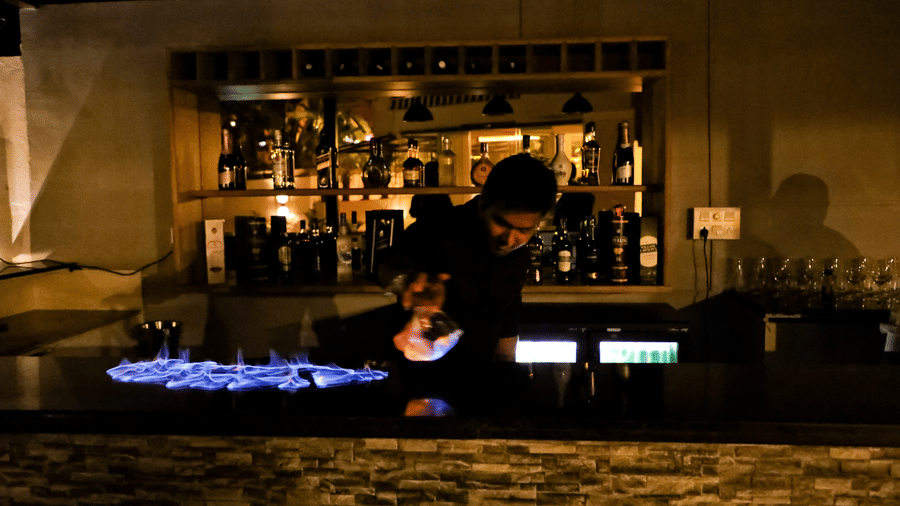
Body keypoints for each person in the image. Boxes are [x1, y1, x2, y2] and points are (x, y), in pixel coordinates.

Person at [377, 153, 558, 397]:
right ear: (483, 203)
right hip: (425, 382)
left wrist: (506, 367)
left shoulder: (519, 253)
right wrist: (408, 280)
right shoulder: (441, 229)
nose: (509, 239)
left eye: (524, 230)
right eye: (501, 223)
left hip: (484, 383)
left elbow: (508, 311)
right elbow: (388, 264)